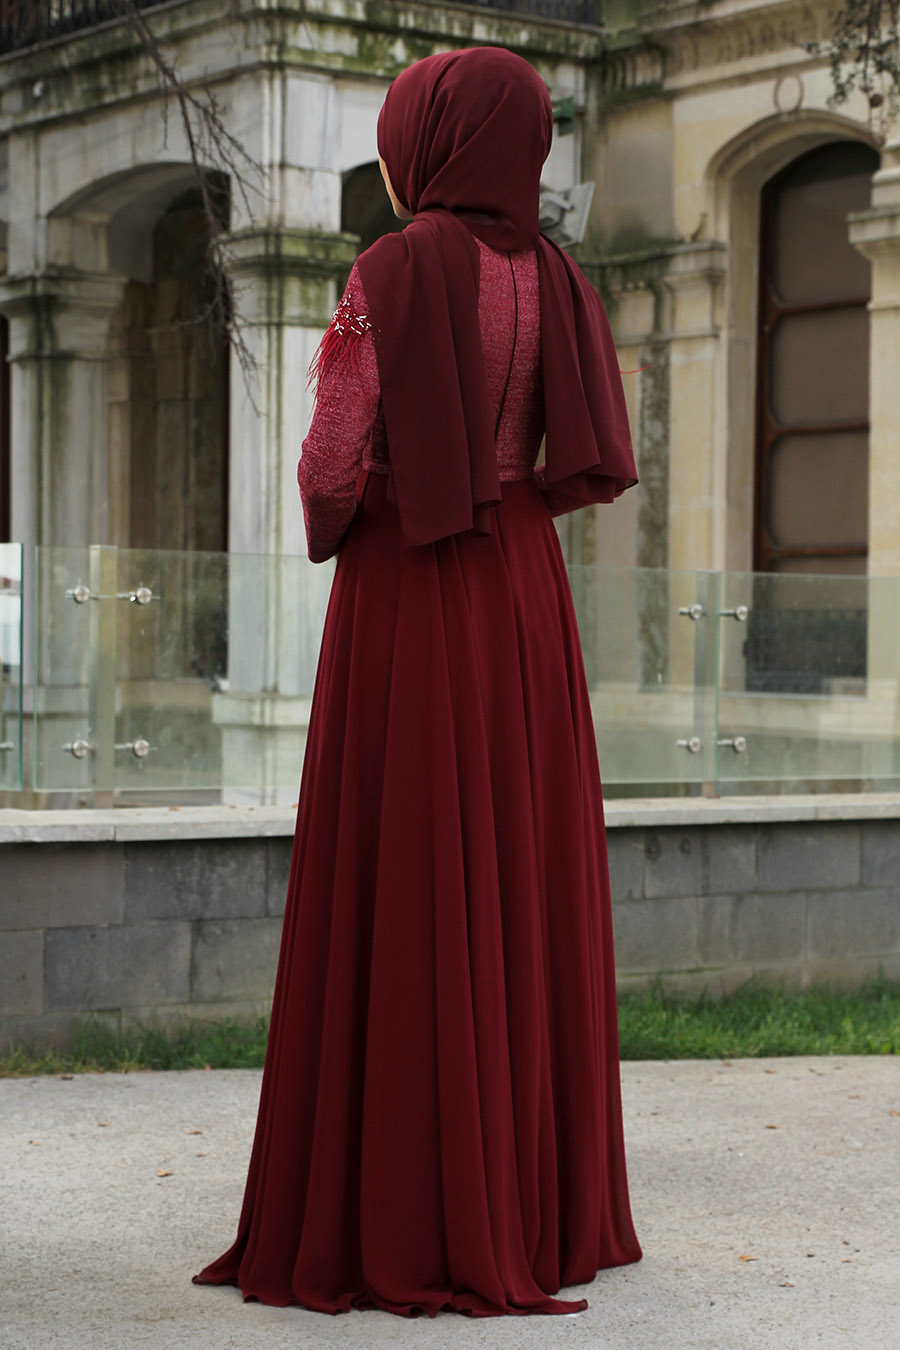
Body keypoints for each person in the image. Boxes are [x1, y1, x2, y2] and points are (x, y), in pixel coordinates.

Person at [193, 45, 641, 1319]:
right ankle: (532, 1209)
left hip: (412, 592)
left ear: (430, 139)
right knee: (513, 873)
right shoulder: (557, 276)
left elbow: (335, 464)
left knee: (415, 871)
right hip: (524, 598)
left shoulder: (389, 269)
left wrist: (342, 493)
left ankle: (407, 1198)